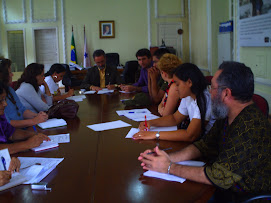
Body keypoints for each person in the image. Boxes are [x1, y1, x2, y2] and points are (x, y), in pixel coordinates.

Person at [138, 61, 271, 202]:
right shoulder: (228, 115)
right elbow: (204, 145)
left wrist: (169, 167)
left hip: (243, 197)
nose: (209, 92)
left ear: (226, 93)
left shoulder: (250, 126)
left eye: (212, 88)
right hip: (225, 187)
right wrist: (168, 157)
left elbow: (219, 176)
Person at [133, 63, 213, 141]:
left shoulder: (204, 98)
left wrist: (155, 134)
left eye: (177, 84)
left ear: (189, 82)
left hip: (209, 143)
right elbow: (175, 118)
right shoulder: (188, 95)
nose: (176, 88)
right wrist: (150, 123)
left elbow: (190, 135)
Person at [0, 81, 50, 154]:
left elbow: (11, 133)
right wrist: (26, 144)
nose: (5, 104)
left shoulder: (1, 116)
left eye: (4, 99)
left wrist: (33, 135)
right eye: (0, 101)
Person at [0, 58, 48, 128]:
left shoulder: (10, 90)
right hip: (12, 133)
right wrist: (34, 120)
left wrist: (37, 116)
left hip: (22, 129)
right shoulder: (26, 87)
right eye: (10, 72)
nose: (12, 75)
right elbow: (8, 122)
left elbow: (22, 110)